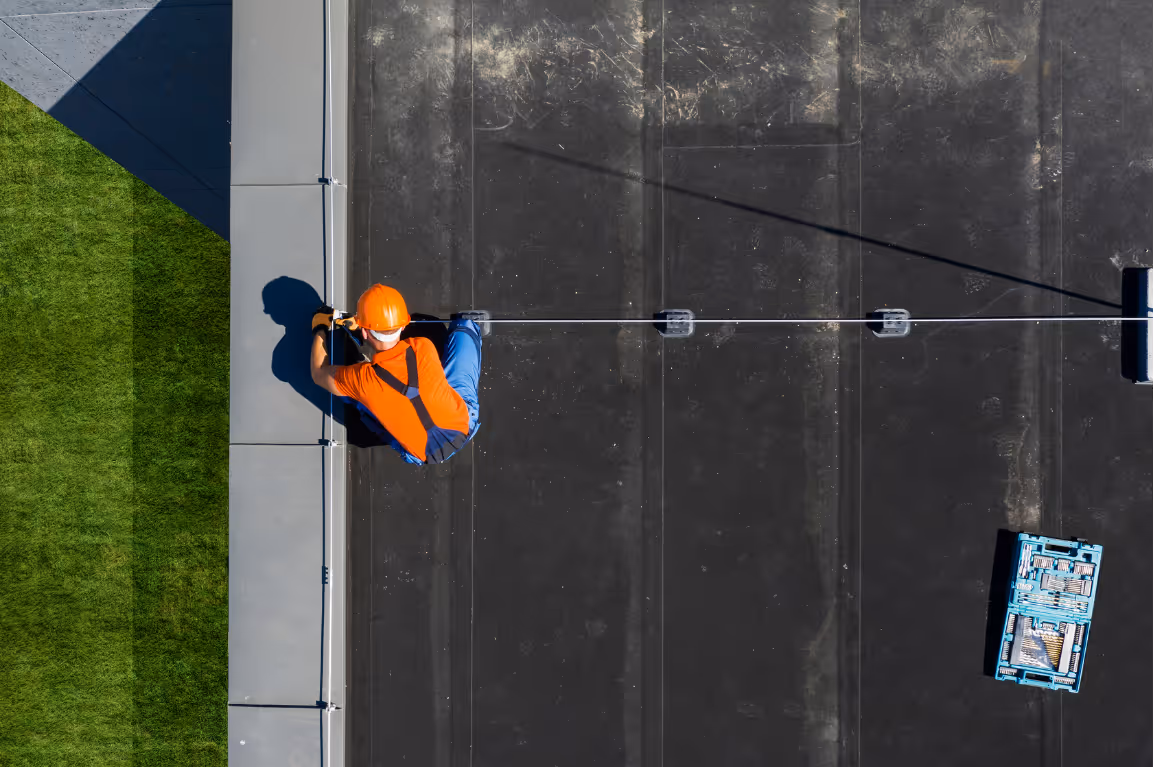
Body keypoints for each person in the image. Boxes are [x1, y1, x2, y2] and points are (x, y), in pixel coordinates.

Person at [309, 284, 482, 464]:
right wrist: (363, 328)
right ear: (403, 325)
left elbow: (318, 372)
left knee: (355, 395)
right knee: (464, 330)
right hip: (464, 424)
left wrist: (320, 328)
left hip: (424, 455)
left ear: (365, 333)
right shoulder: (423, 345)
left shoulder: (359, 379)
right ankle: (468, 326)